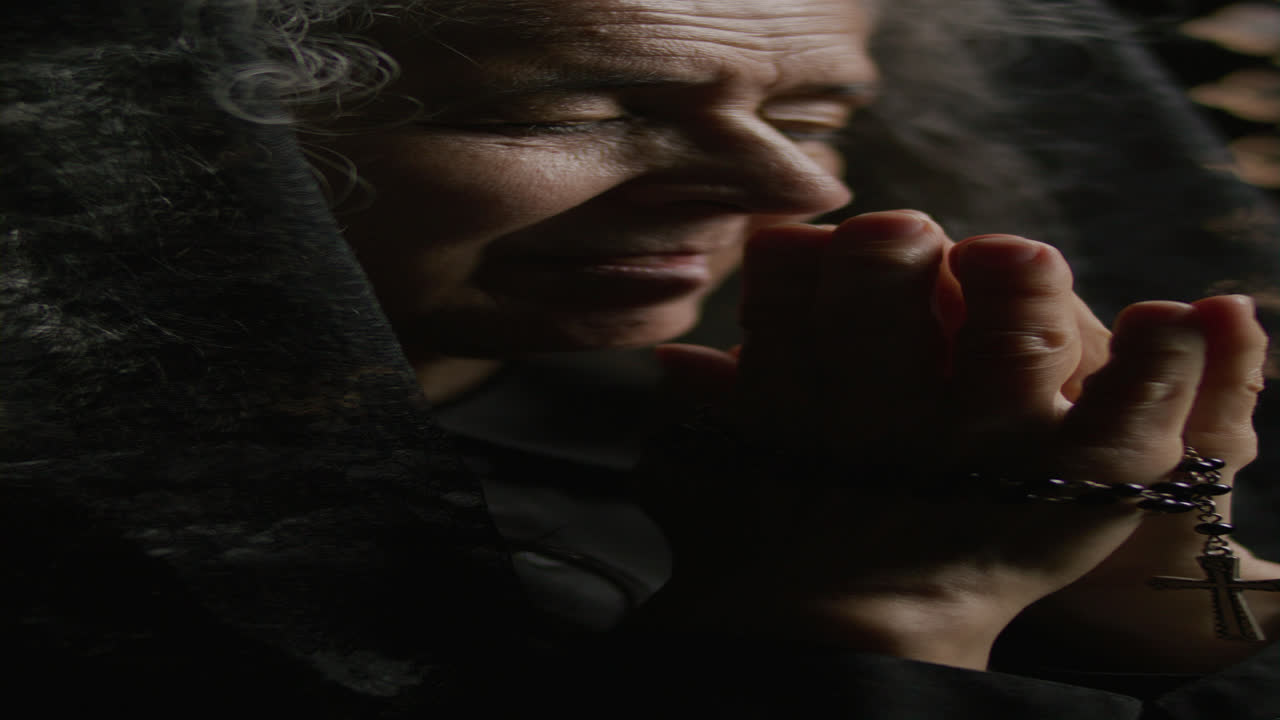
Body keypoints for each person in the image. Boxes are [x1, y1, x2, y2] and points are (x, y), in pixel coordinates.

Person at [3, 0, 1280, 717]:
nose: (798, 186)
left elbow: (1203, 624)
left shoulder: (831, 438)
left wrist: (1164, 595)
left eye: (808, 114)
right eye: (567, 109)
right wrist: (876, 620)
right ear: (147, 138)